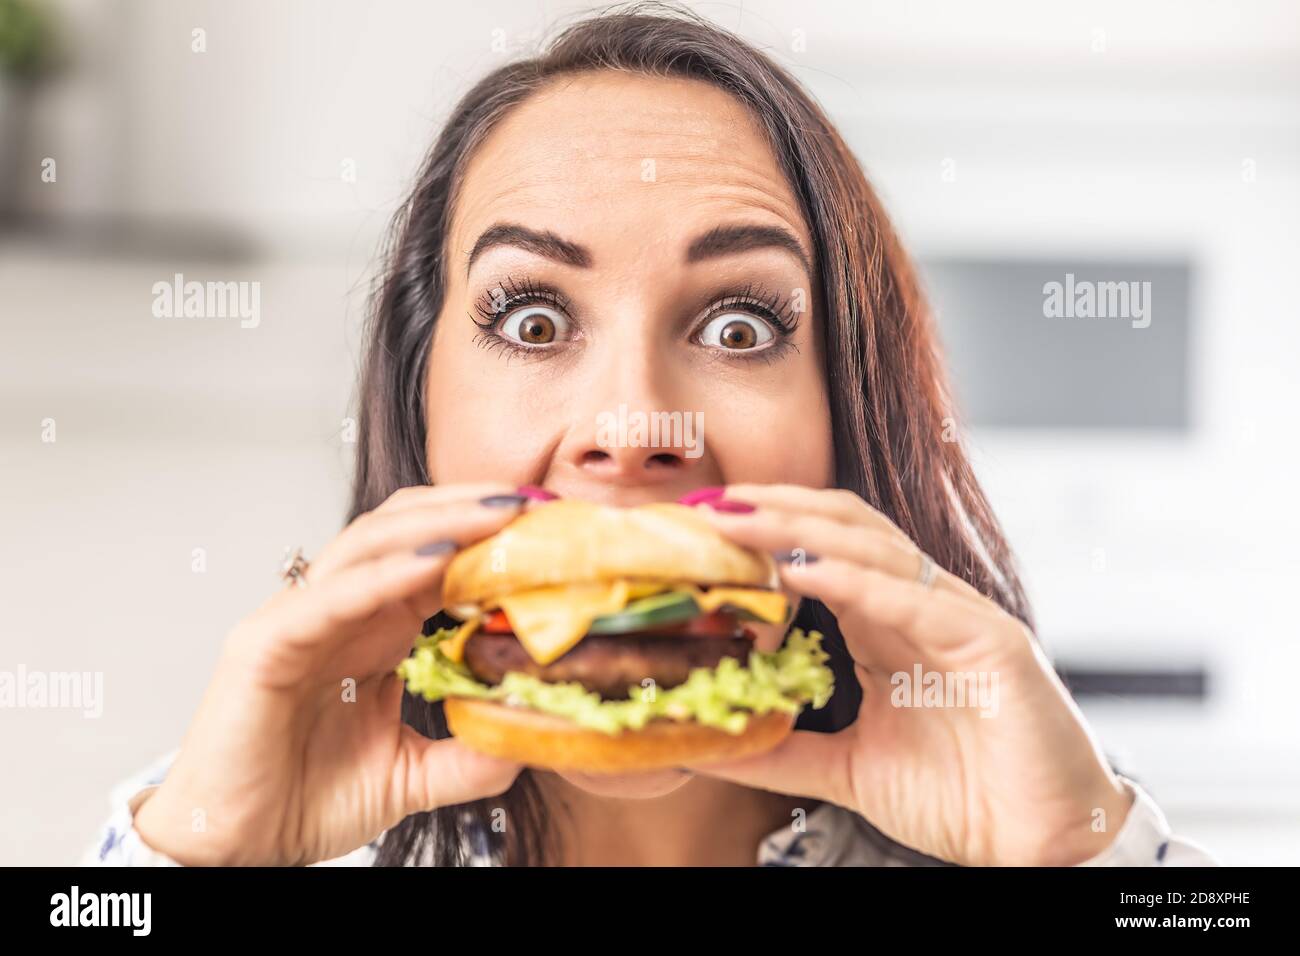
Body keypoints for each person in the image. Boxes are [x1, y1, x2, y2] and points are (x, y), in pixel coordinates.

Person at [83, 4, 1216, 868]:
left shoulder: (1059, 822)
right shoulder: (206, 830)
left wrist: (1077, 853)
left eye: (739, 322)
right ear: (416, 394)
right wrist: (206, 852)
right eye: (531, 319)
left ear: (846, 407)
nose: (631, 427)